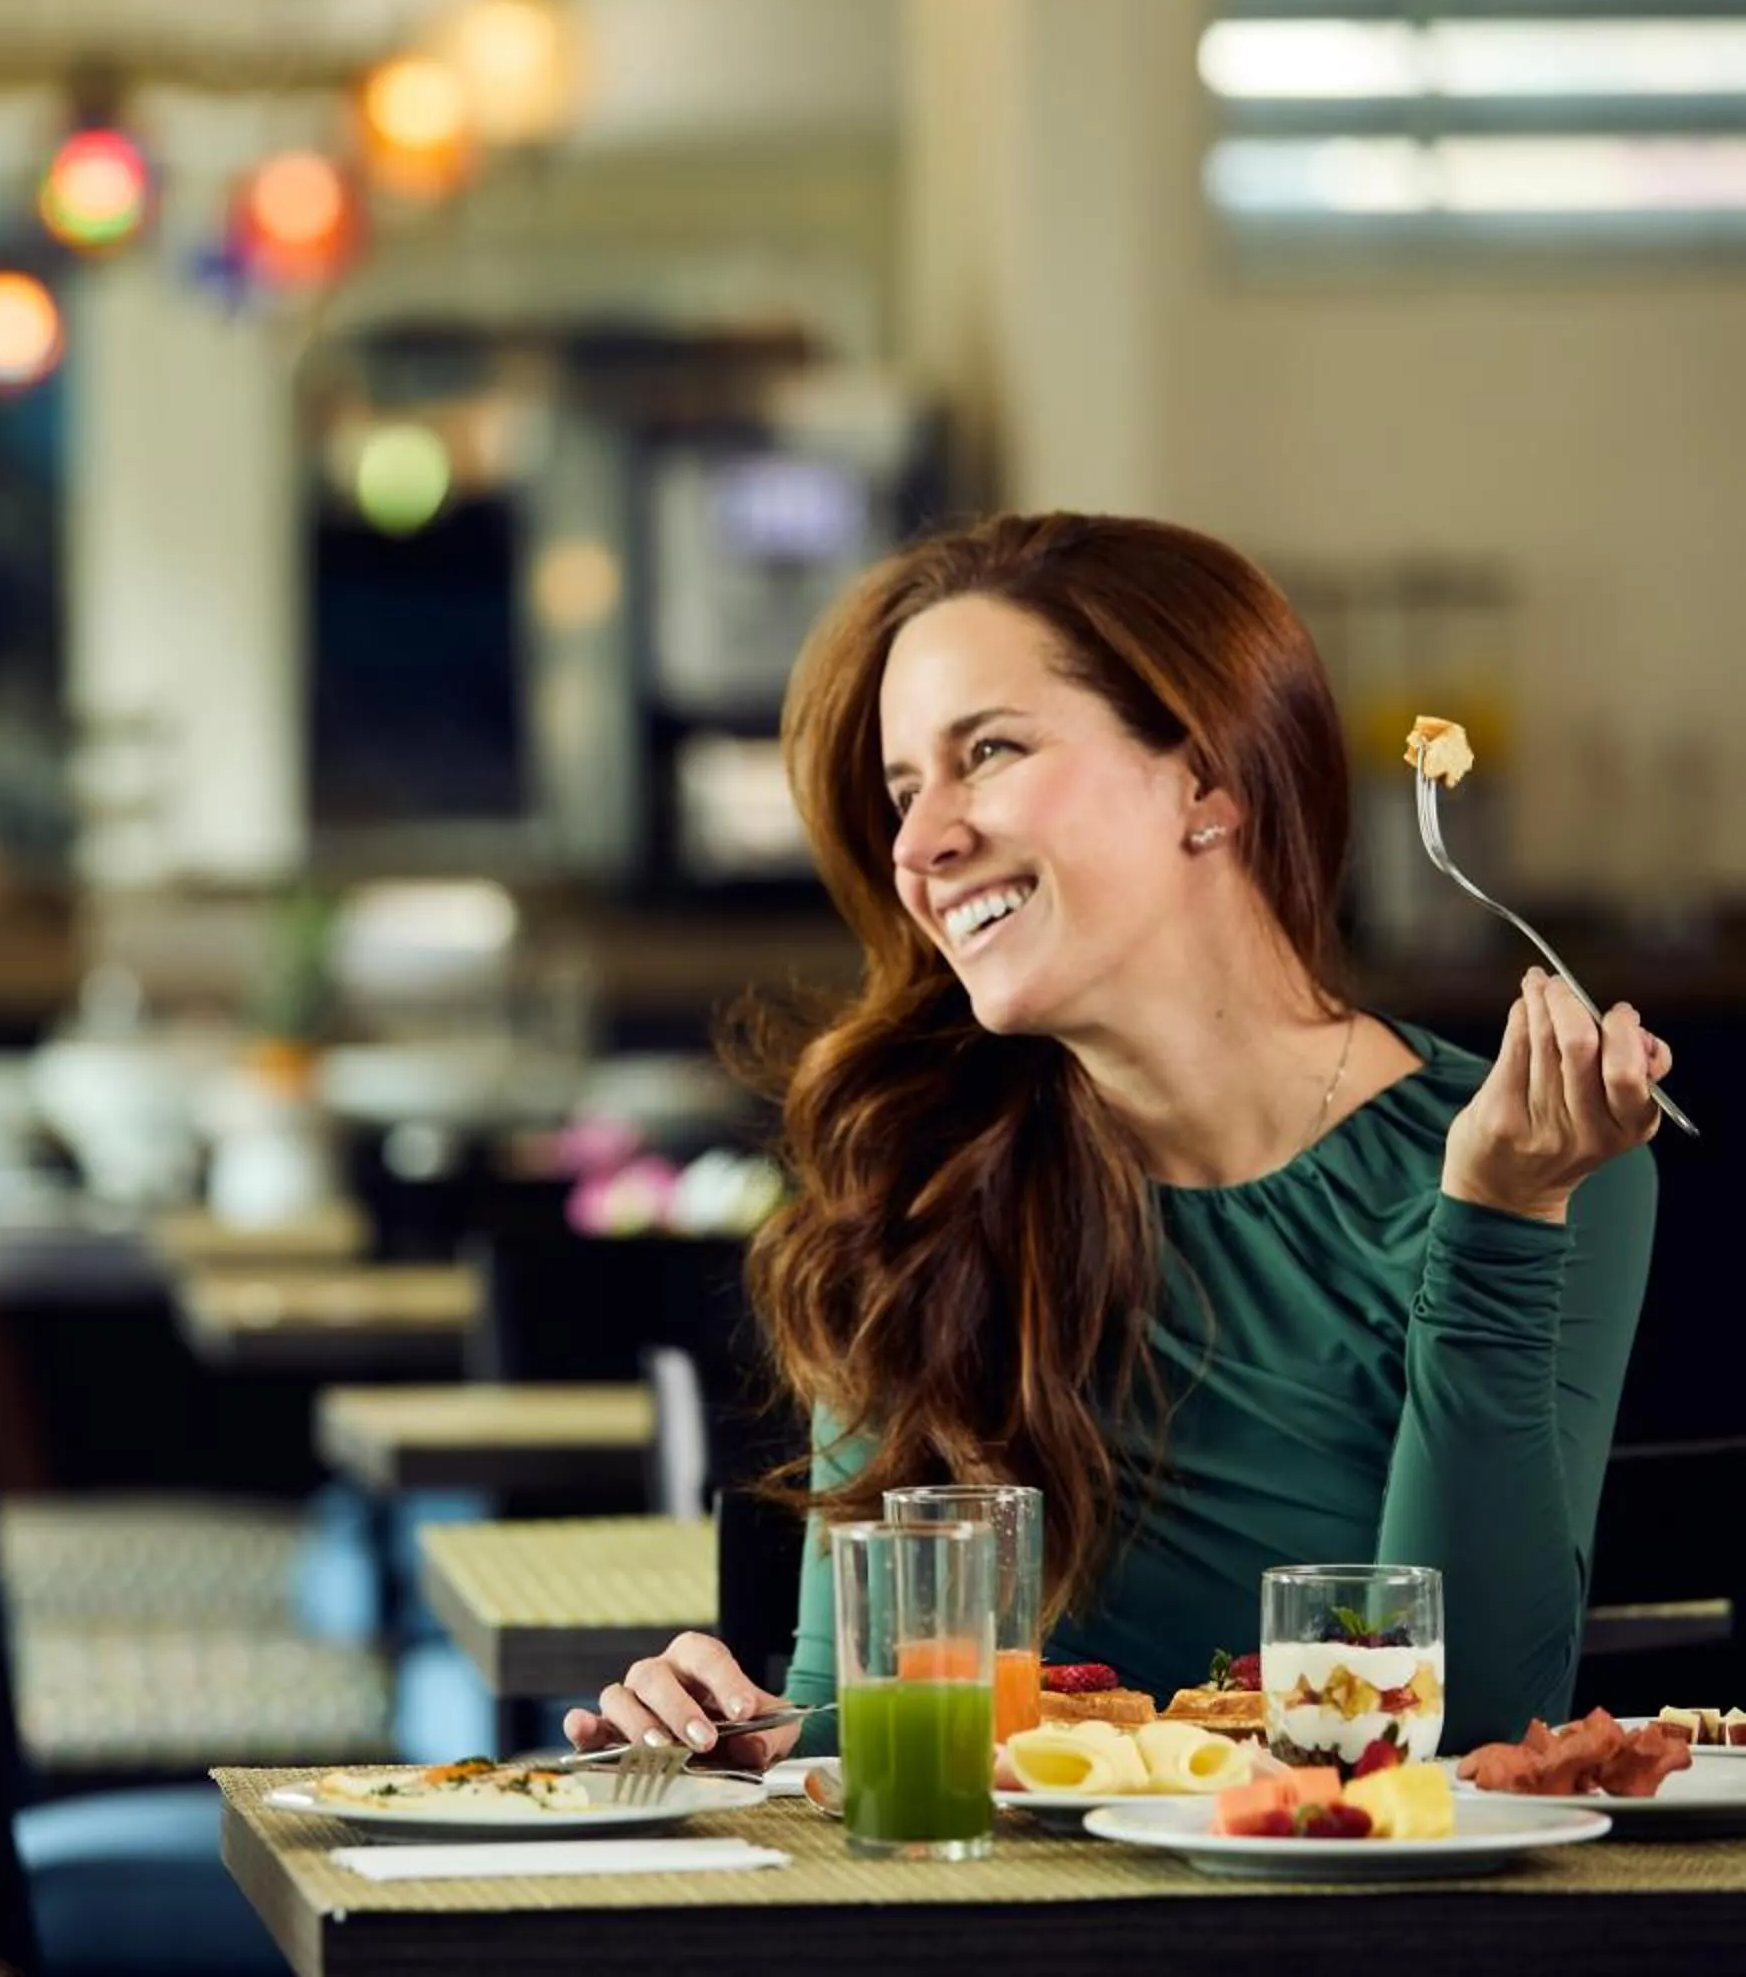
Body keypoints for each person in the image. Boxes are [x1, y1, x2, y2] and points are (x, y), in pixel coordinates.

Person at [564, 512, 1666, 1771]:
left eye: (988, 750)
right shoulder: (917, 1179)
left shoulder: (1529, 1158)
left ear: (1207, 779)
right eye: (904, 789)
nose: (921, 847)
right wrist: (738, 1731)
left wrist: (1499, 1219)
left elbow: (1475, 1737)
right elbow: (852, 1732)